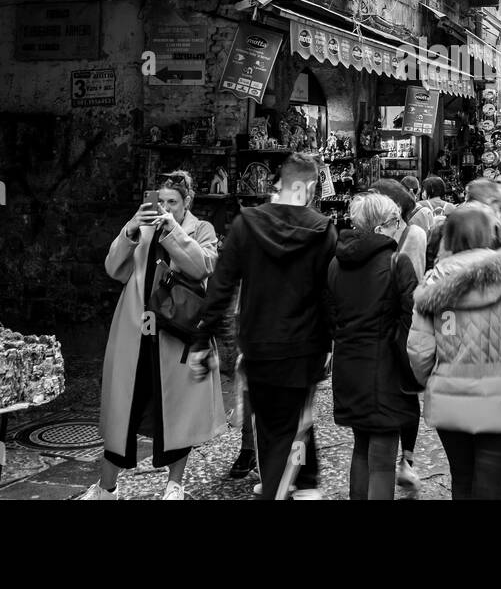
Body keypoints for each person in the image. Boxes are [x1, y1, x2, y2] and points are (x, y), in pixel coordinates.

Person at [188, 153, 337, 500]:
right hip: (305, 345)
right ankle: (286, 486)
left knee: (273, 423)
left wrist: (201, 339)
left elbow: (222, 286)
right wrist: (332, 342)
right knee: (292, 421)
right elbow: (329, 294)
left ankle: (299, 482)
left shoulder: (246, 224)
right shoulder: (323, 229)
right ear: (311, 187)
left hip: (259, 342)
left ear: (277, 185)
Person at [85, 171, 223, 500]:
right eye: (160, 201)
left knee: (177, 415)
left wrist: (171, 231)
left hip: (175, 337)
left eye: (172, 202)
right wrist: (130, 230)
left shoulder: (201, 229)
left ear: (187, 201)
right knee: (123, 412)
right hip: (134, 333)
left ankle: (174, 486)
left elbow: (202, 267)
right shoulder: (141, 228)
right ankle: (107, 488)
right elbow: (114, 269)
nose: (164, 207)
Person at [407, 204, 501, 499]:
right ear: (488, 235)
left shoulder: (433, 282)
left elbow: (419, 350)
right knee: (492, 483)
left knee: (462, 478)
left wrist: (433, 378)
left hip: (449, 397)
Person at [324, 193, 419, 500]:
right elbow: (412, 317)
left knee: (361, 447)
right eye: (395, 222)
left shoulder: (336, 263)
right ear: (381, 227)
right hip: (386, 370)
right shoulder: (397, 262)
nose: (399, 228)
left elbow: (332, 315)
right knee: (382, 459)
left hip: (350, 367)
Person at [371, 178, 428, 487]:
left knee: (405, 393)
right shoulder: (375, 233)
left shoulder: (414, 234)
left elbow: (413, 284)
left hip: (402, 323)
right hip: (381, 322)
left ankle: (406, 459)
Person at [426, 177, 501, 269]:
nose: (497, 210)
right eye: (497, 204)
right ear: (490, 202)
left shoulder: (444, 224)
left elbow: (430, 261)